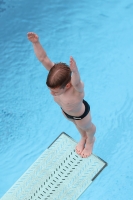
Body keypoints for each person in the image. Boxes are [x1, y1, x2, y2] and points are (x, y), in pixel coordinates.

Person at [27, 32, 96, 158]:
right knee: (75, 124)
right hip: (67, 112)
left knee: (88, 128)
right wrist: (36, 43)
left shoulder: (76, 89)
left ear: (67, 86)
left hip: (81, 115)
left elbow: (77, 82)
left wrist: (75, 71)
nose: (51, 93)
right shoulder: (58, 79)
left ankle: (90, 141)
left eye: (55, 92)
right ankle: (83, 137)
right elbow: (43, 58)